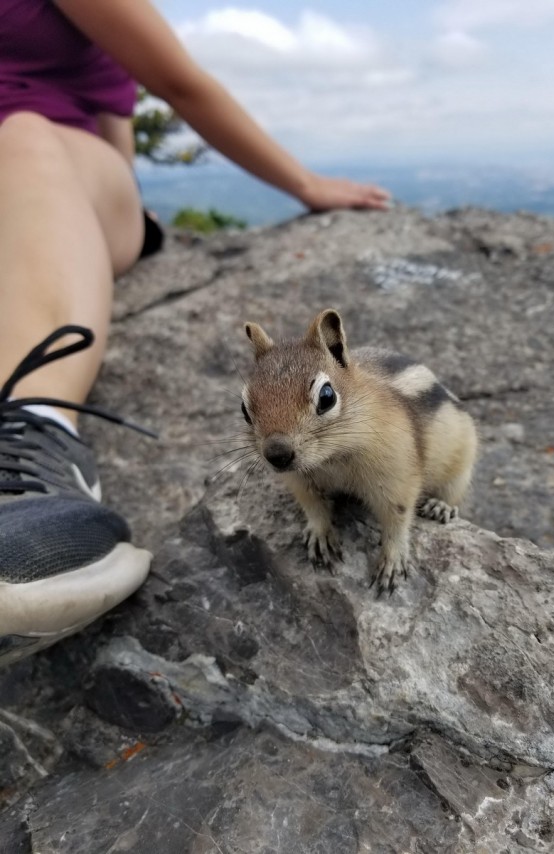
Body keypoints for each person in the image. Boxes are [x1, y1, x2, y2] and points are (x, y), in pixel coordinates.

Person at [0, 0, 390, 667]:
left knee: (20, 134)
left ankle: (32, 434)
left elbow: (176, 83)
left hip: (43, 168)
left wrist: (303, 184)